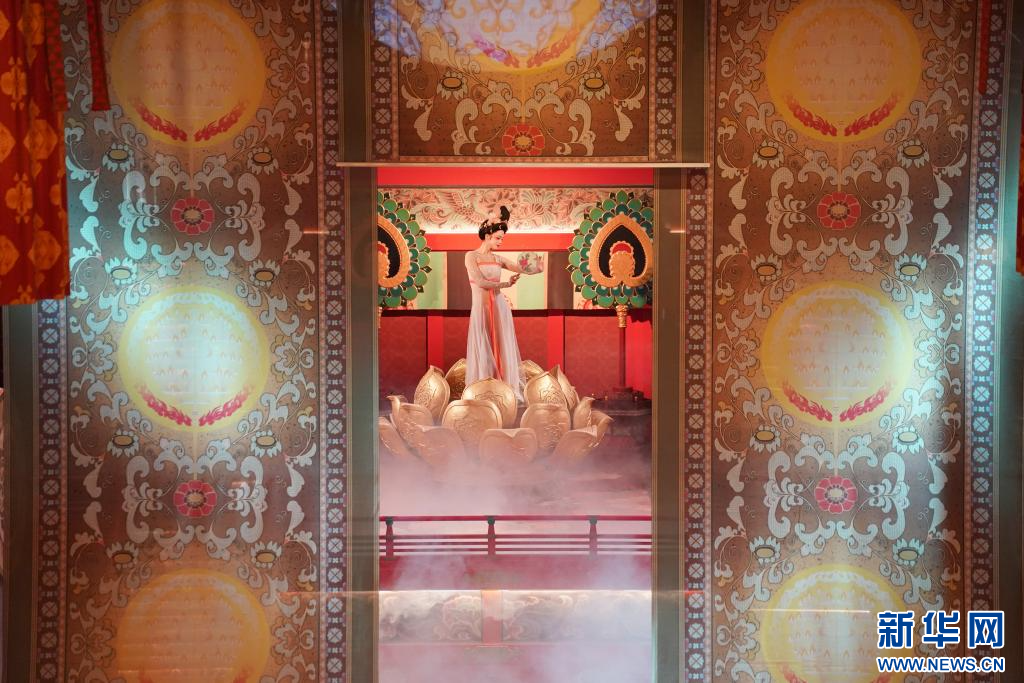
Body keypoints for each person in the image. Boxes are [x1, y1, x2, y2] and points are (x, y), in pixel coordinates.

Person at [464, 206, 544, 401]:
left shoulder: (498, 259)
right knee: (484, 348)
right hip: (481, 309)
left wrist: (535, 268)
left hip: (499, 307)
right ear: (487, 235)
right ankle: (485, 392)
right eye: (498, 238)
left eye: (502, 239)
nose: (501, 242)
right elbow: (480, 282)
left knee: (502, 347)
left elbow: (518, 267)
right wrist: (505, 284)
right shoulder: (471, 256)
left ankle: (504, 392)